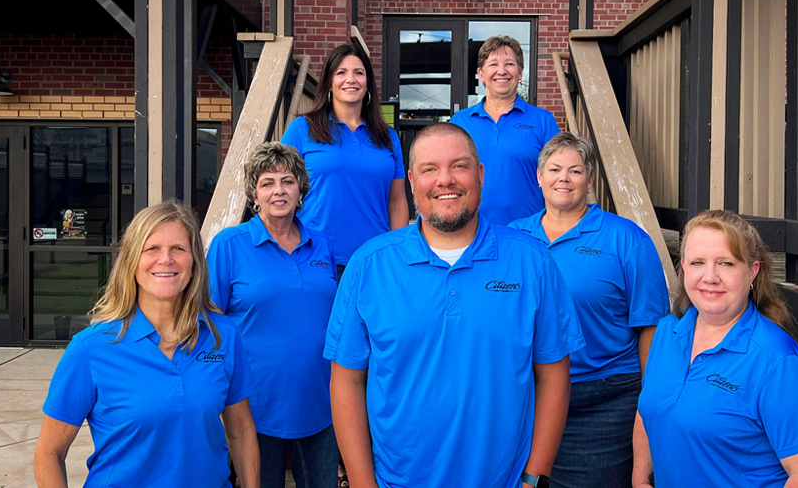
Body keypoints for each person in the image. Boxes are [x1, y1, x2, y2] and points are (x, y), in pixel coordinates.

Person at [326, 122, 584, 488]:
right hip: (397, 481)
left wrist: (534, 477)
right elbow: (346, 381)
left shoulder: (531, 261)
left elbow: (554, 375)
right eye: (430, 169)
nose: (445, 180)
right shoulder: (369, 265)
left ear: (479, 175)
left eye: (459, 166)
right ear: (412, 181)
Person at [34, 201, 259, 488]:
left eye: (178, 248)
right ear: (132, 261)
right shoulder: (91, 349)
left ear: (194, 262)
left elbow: (240, 430)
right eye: (152, 249)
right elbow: (48, 454)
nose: (166, 259)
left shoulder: (223, 336)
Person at [508, 133, 670, 488]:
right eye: (554, 169)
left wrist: (651, 399)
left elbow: (651, 326)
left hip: (601, 399)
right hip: (528, 396)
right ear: (538, 176)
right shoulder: (512, 239)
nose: (563, 178)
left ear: (590, 180)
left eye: (575, 171)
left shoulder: (625, 239)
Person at [632, 210, 798, 488]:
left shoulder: (777, 361)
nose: (710, 276)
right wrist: (640, 479)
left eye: (726, 263)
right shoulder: (668, 332)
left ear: (752, 271)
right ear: (684, 267)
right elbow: (649, 407)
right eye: (698, 262)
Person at [207, 142, 339, 488]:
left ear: (301, 190)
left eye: (288, 181)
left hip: (321, 403)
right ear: (254, 194)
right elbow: (208, 322)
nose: (278, 190)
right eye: (267, 183)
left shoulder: (321, 243)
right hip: (253, 409)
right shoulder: (230, 244)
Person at [280, 44, 408, 270]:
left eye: (359, 72)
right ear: (329, 82)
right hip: (314, 259)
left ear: (367, 82)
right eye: (341, 73)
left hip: (374, 260)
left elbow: (396, 202)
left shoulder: (388, 137)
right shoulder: (301, 129)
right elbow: (279, 191)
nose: (351, 79)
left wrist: (398, 253)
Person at [450, 35, 559, 225]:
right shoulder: (460, 122)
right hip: (470, 232)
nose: (501, 71)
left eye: (509, 64)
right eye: (493, 64)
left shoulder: (543, 121)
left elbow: (558, 177)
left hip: (528, 234)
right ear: (481, 74)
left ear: (520, 72)